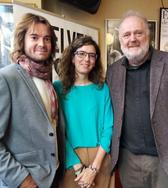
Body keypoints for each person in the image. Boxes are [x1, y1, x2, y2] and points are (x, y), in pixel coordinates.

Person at [106, 11, 168, 188]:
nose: (132, 38)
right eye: (126, 34)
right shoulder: (113, 71)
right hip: (128, 160)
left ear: (148, 35)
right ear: (120, 39)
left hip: (167, 159)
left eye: (138, 33)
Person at [0, 13, 64, 188]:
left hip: (51, 178)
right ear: (22, 40)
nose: (42, 44)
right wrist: (23, 180)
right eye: (34, 37)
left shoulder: (48, 81)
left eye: (47, 39)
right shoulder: (3, 79)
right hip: (23, 182)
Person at [54, 36, 114, 188]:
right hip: (69, 158)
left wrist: (94, 168)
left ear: (95, 60)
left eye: (91, 55)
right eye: (81, 53)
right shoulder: (57, 89)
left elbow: (109, 128)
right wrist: (77, 166)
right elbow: (56, 130)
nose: (86, 59)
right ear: (72, 58)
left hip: (100, 157)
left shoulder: (103, 89)